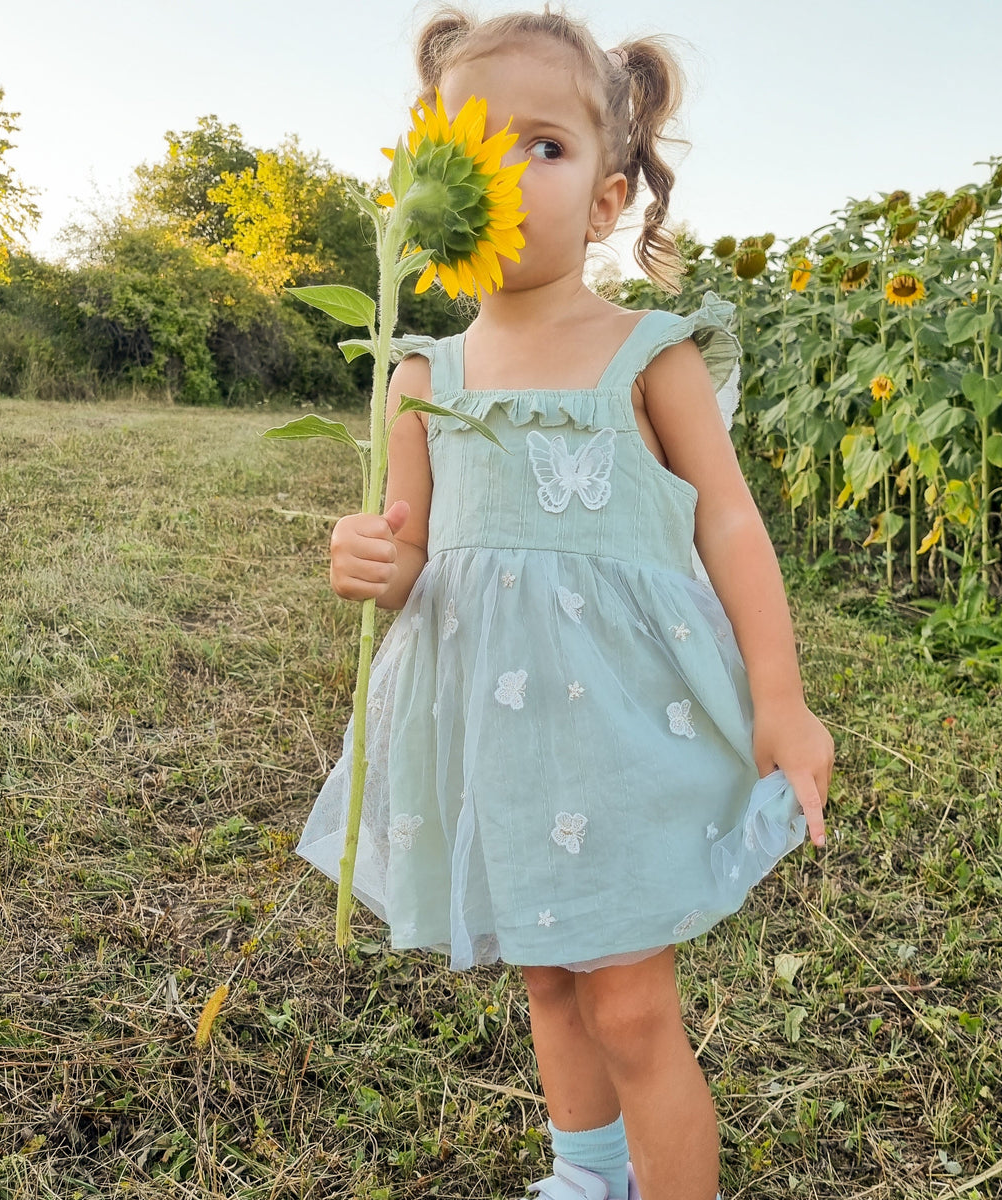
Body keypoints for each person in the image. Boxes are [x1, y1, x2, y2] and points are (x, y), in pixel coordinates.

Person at [296, 6, 834, 1200]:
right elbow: (413, 550)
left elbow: (730, 524)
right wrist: (375, 563)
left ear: (605, 199)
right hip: (502, 744)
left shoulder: (651, 352)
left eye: (541, 145)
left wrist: (783, 701)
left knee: (631, 1002)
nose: (501, 173)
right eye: (467, 146)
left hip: (626, 740)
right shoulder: (423, 374)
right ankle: (588, 1173)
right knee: (544, 975)